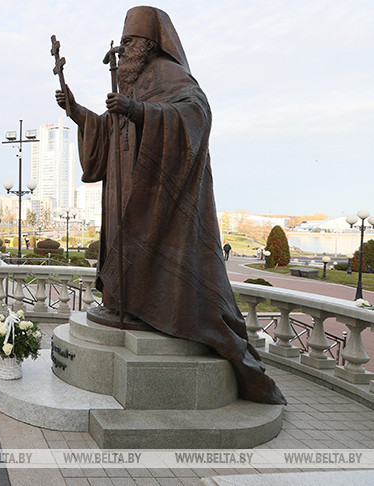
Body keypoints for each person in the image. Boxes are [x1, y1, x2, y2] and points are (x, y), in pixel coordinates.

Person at [55, 6, 284, 405]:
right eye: (122, 44)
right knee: (122, 247)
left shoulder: (170, 75)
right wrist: (76, 110)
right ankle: (123, 302)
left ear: (148, 44)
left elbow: (195, 115)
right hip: (122, 187)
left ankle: (147, 310)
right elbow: (113, 129)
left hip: (157, 195)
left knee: (149, 249)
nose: (122, 51)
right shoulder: (133, 81)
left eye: (129, 43)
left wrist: (139, 110)